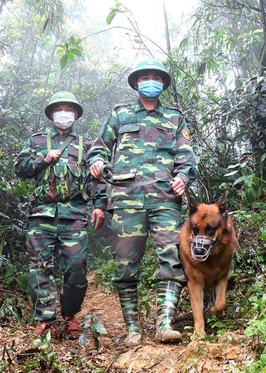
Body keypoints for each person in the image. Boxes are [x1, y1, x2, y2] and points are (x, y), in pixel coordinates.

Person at [88, 58, 198, 345]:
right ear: (136, 82)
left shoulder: (175, 117)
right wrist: (98, 161)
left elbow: (186, 156)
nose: (151, 81)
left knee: (172, 260)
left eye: (156, 77)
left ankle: (164, 323)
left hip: (165, 199)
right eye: (145, 77)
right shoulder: (120, 114)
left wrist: (183, 177)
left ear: (162, 83)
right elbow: (99, 147)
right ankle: (132, 329)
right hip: (127, 199)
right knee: (125, 265)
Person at [14, 91, 107, 337]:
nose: (63, 113)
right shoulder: (35, 141)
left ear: (75, 114)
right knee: (38, 267)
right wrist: (43, 160)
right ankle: (44, 317)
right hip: (41, 215)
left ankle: (70, 313)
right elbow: (20, 168)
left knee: (76, 267)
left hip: (74, 214)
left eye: (68, 109)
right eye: (59, 109)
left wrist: (99, 205)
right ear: (51, 113)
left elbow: (96, 179)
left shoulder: (87, 145)